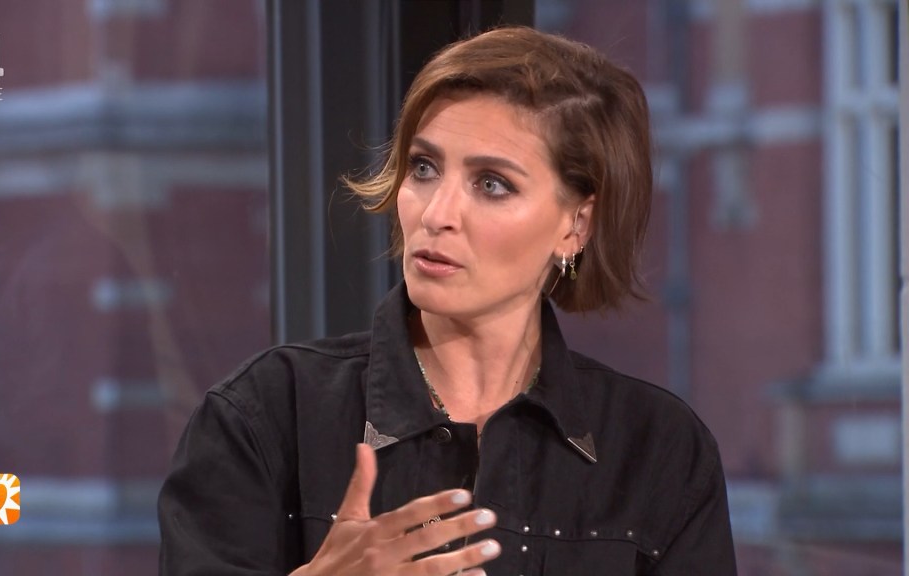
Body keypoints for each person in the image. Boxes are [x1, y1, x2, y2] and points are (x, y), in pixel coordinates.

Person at [158, 26, 737, 575]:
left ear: (575, 225)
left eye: (492, 184)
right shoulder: (263, 416)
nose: (437, 214)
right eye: (424, 168)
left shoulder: (660, 451)